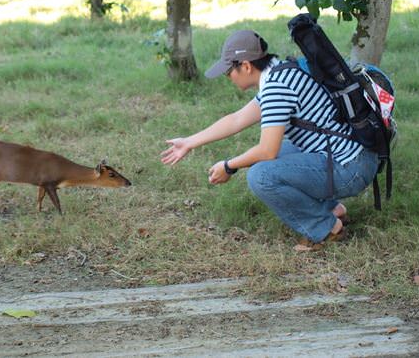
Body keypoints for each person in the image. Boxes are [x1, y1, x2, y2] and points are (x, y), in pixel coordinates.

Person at [160, 30, 379, 250]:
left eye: (228, 71)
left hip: (350, 168)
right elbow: (236, 119)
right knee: (279, 153)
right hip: (351, 155)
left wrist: (228, 166)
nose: (228, 78)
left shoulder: (277, 87)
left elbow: (266, 151)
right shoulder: (280, 72)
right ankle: (333, 209)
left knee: (261, 175)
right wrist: (189, 142)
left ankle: (326, 228)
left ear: (246, 66)